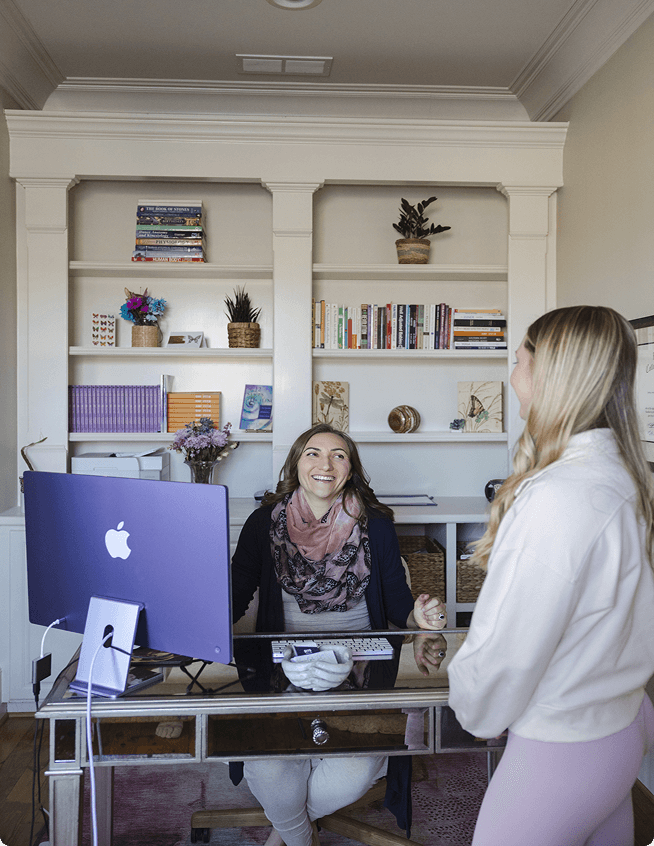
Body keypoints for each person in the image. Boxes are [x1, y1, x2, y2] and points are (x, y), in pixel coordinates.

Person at [447, 305, 654, 846]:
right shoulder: (621, 477)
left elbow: (506, 652)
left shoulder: (558, 498)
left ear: (548, 375)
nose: (511, 376)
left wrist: (470, 701)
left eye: (518, 360)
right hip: (622, 727)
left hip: (564, 748)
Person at [230, 424, 446, 846]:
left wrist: (418, 614)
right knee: (267, 767)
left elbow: (398, 602)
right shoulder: (262, 524)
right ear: (296, 464)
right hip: (281, 667)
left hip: (361, 665)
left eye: (338, 456)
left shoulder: (377, 527)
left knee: (355, 770)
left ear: (350, 470)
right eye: (312, 453)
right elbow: (236, 595)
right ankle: (299, 837)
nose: (325, 464)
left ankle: (287, 832)